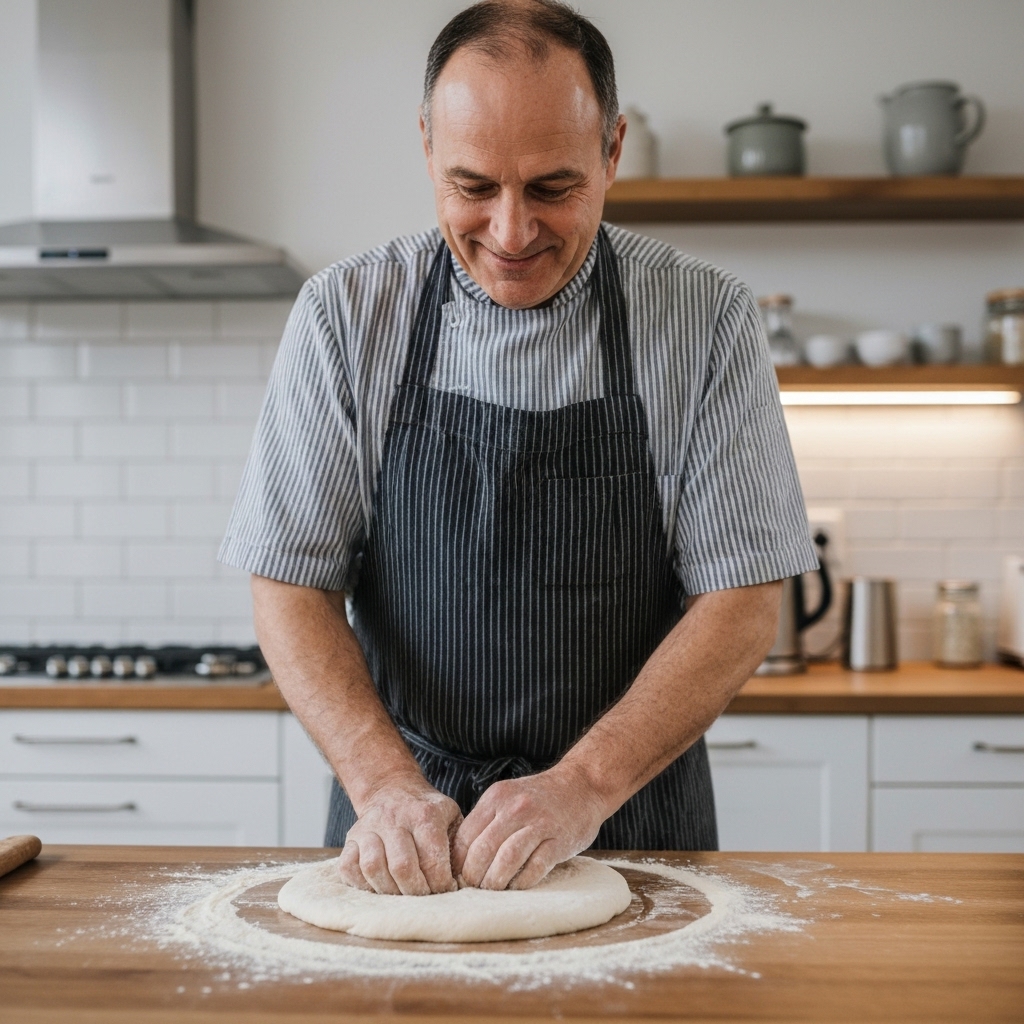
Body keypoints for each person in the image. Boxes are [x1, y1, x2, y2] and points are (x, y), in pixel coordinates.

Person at [219, 0, 817, 897]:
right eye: (472, 186)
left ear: (611, 152)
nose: (509, 233)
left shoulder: (705, 319)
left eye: (551, 188)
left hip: (631, 824)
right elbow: (291, 586)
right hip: (402, 835)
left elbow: (740, 601)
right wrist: (384, 788)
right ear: (426, 145)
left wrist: (581, 786)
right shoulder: (346, 315)